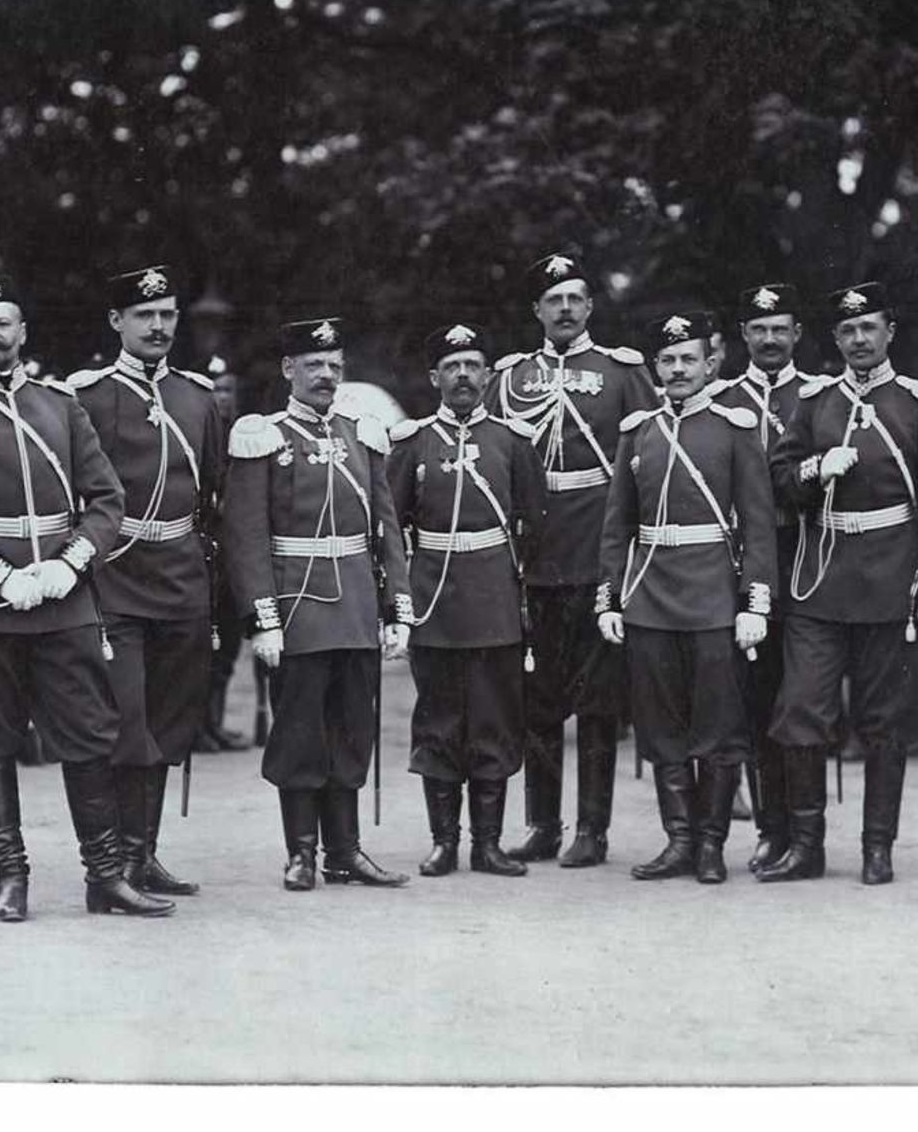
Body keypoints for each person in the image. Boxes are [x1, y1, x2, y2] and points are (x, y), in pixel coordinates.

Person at [0, 277, 171, 921]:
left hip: (62, 598)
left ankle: (104, 875)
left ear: (23, 332)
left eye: (4, 323)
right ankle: (10, 876)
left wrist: (72, 562)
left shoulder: (61, 405)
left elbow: (107, 500)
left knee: (88, 736)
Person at [762, 282, 918, 885]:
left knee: (885, 721)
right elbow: (777, 477)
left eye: (868, 328)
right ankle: (806, 845)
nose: (858, 340)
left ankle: (878, 847)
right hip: (819, 580)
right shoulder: (816, 402)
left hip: (891, 580)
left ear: (889, 333)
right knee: (801, 711)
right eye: (847, 331)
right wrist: (816, 469)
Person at [221, 316, 414, 891]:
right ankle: (301, 852)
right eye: (314, 366)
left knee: (353, 728)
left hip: (354, 602)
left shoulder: (363, 434)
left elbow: (387, 528)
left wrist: (397, 605)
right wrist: (262, 617)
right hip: (296, 604)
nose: (326, 375)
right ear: (289, 370)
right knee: (301, 729)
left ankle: (346, 852)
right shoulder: (265, 436)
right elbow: (245, 535)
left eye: (334, 366)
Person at [487, 247, 657, 868]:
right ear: (536, 309)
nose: (564, 308)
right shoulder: (508, 377)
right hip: (535, 550)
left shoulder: (621, 372)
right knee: (537, 696)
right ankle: (542, 823)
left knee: (598, 697)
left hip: (597, 547)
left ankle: (593, 828)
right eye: (552, 300)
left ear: (589, 307)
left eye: (574, 299)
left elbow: (646, 459)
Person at [598, 310, 775, 884]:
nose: (678, 369)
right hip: (650, 595)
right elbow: (616, 525)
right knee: (661, 724)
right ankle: (678, 839)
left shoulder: (734, 427)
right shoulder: (638, 432)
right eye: (668, 361)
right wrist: (608, 599)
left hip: (713, 597)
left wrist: (756, 602)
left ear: (710, 364)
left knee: (720, 727)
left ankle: (711, 845)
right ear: (656, 368)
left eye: (688, 360)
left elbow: (758, 523)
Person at [66, 264, 226, 899]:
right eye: (144, 315)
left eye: (167, 315)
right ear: (117, 322)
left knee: (169, 721)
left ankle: (141, 854)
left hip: (182, 577)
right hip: (115, 578)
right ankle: (106, 869)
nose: (158, 326)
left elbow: (213, 492)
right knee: (125, 721)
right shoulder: (86, 396)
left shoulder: (197, 397)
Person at [388, 322, 547, 877]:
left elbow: (535, 520)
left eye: (473, 366)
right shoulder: (413, 443)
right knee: (439, 721)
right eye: (452, 367)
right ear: (435, 377)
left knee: (495, 720)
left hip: (495, 601)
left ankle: (488, 844)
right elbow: (390, 524)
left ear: (488, 375)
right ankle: (444, 841)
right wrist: (399, 604)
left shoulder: (512, 440)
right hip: (435, 601)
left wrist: (520, 591)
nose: (463, 376)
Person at [712, 282, 815, 872]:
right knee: (753, 698)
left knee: (800, 700)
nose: (770, 339)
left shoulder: (820, 396)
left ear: (797, 335)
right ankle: (769, 828)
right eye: (760, 330)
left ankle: (803, 828)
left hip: (807, 558)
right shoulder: (723, 399)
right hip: (744, 561)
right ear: (743, 337)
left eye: (781, 329)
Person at [196, 354, 254, 752]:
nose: (221, 397)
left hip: (234, 559)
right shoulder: (194, 435)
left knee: (229, 647)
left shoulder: (246, 438)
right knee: (199, 649)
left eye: (227, 390)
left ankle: (214, 723)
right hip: (202, 560)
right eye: (214, 389)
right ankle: (196, 726)